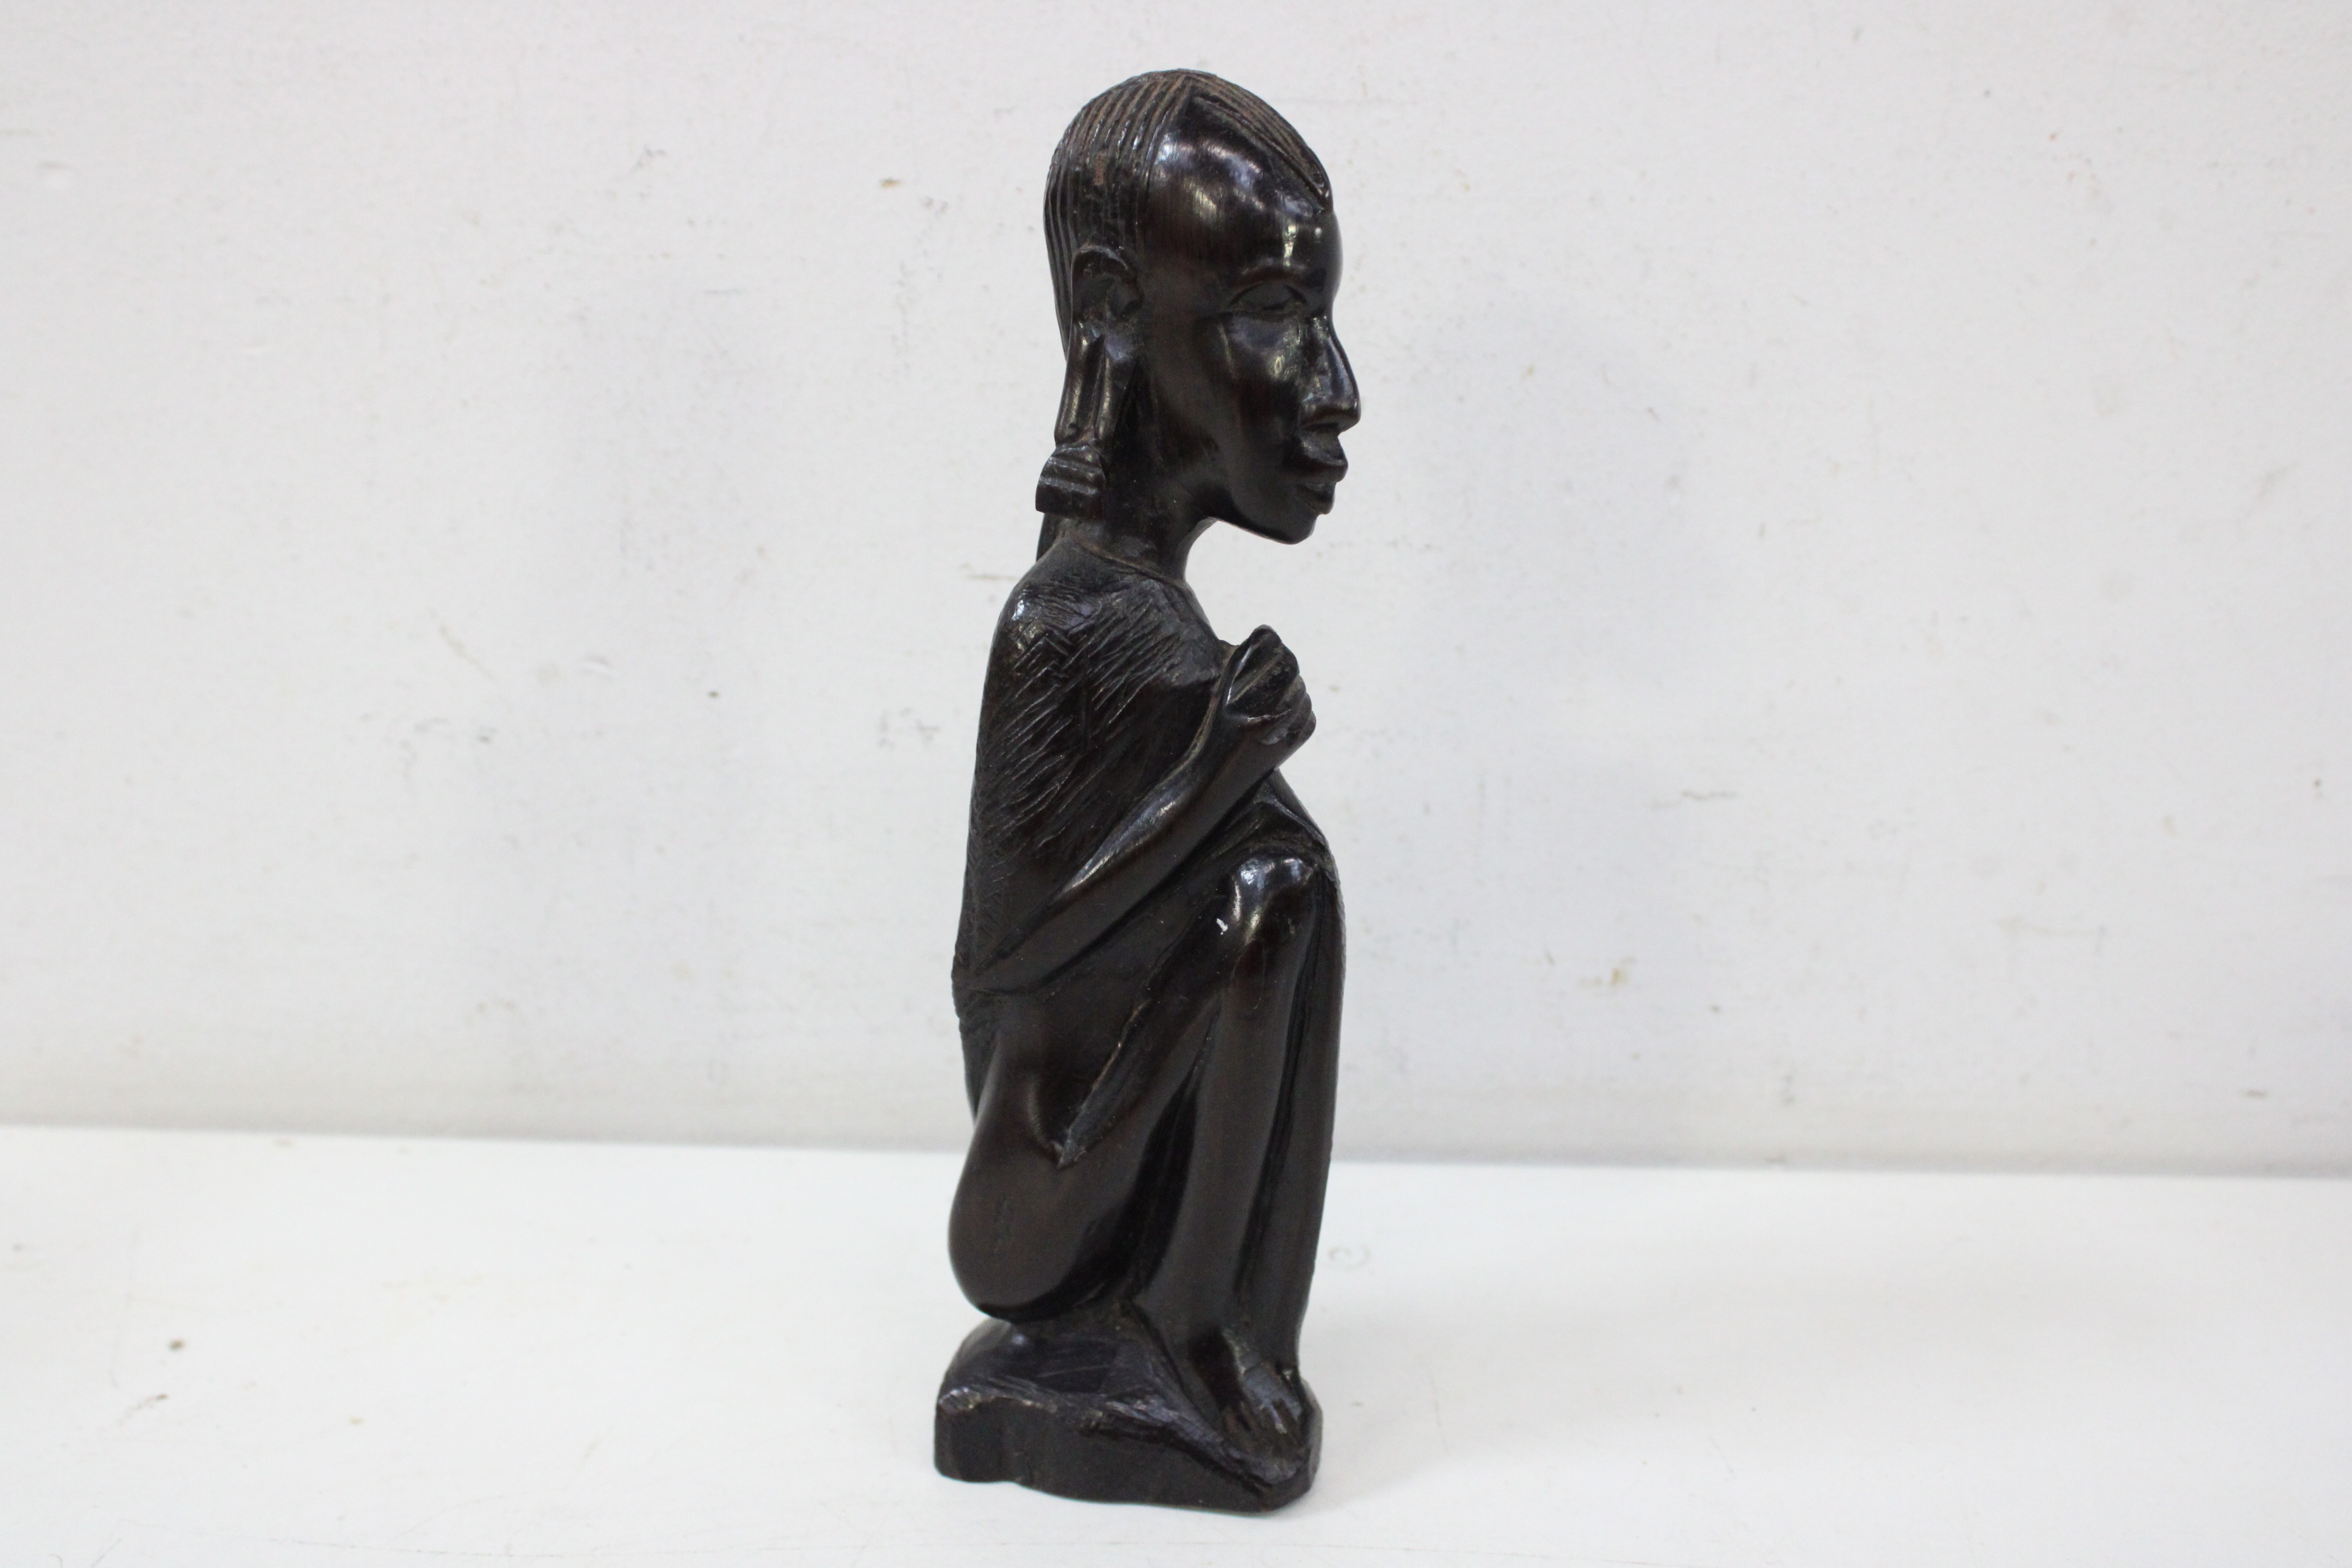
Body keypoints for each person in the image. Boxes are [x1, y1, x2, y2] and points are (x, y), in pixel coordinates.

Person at [934, 70, 1360, 1513]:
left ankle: (1209, 1328)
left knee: (1281, 883)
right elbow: (999, 967)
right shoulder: (1061, 625)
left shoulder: (1150, 624)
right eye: (1273, 315)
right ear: (1116, 312)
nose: (1334, 387)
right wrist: (1217, 774)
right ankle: (1179, 1331)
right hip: (1031, 1208)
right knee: (1273, 883)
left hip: (1090, 1192)